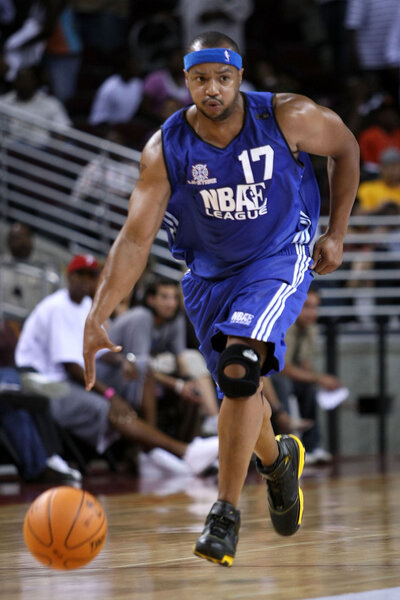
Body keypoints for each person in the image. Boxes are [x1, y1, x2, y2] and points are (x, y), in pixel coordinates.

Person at [83, 32, 360, 567]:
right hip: (208, 276)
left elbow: (346, 147)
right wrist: (99, 313)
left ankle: (225, 514)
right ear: (186, 80)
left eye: (223, 77)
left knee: (238, 370)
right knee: (243, 390)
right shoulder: (165, 149)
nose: (212, 89)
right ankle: (278, 462)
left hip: (280, 256)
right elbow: (135, 238)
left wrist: (337, 232)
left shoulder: (288, 116)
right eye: (200, 78)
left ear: (240, 77)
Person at [15, 254, 219, 477]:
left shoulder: (86, 306)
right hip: (44, 383)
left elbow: (101, 352)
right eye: (81, 274)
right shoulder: (56, 307)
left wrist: (124, 361)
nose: (87, 280)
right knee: (111, 407)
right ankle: (184, 451)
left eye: (93, 275)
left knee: (143, 368)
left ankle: (148, 454)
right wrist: (111, 394)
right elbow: (71, 367)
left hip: (77, 377)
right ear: (69, 276)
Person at [96, 277, 220, 437]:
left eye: (174, 297)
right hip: (115, 369)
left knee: (192, 359)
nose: (171, 303)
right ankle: (151, 448)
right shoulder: (141, 316)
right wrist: (178, 385)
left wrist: (188, 381)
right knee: (147, 371)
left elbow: (179, 356)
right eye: (164, 297)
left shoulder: (175, 318)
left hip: (145, 365)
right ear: (150, 299)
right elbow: (139, 364)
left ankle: (211, 421)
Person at [270, 285, 342, 465]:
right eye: (307, 306)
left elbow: (305, 365)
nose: (312, 313)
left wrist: (319, 381)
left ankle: (311, 446)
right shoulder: (284, 324)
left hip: (287, 376)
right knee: (282, 382)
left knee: (309, 386)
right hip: (268, 377)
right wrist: (319, 378)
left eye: (316, 307)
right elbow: (281, 366)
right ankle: (283, 444)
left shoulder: (311, 329)